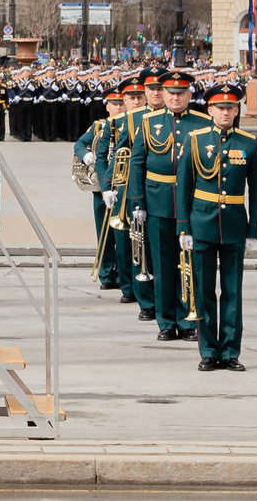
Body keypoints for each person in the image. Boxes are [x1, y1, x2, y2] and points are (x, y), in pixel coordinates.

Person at [177, 79, 257, 371]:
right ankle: (208, 350)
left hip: (235, 225)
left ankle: (230, 351)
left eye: (231, 107)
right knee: (202, 292)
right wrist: (184, 228)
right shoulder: (196, 139)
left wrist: (254, 231)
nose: (225, 113)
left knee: (231, 291)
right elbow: (184, 186)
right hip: (202, 222)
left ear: (237, 110)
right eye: (220, 107)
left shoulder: (249, 144)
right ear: (210, 109)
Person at [136, 71, 200, 342]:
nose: (175, 97)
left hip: (191, 204)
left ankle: (188, 321)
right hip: (158, 200)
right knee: (162, 265)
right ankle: (165, 321)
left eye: (180, 93)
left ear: (189, 95)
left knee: (188, 264)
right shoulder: (149, 122)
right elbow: (138, 163)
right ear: (162, 94)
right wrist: (137, 202)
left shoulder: (202, 123)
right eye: (170, 93)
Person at [76, 86, 127, 297]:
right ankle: (106, 274)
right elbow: (80, 143)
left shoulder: (131, 124)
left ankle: (125, 275)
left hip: (124, 185)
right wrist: (85, 155)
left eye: (121, 103)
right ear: (107, 106)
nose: (118, 107)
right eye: (114, 104)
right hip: (101, 187)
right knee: (104, 232)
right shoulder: (99, 126)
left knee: (124, 235)